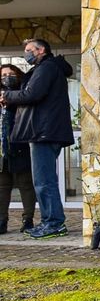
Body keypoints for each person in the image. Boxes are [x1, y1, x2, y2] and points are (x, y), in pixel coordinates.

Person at [0, 39, 74, 240]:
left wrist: (7, 96)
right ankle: (50, 222)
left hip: (44, 132)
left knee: (44, 181)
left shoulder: (46, 68)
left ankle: (53, 224)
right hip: (44, 131)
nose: (26, 54)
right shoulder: (47, 68)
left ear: (40, 50)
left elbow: (32, 94)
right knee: (44, 180)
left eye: (28, 50)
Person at [0, 64, 36, 234]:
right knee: (2, 185)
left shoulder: (24, 92)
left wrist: (11, 100)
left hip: (21, 145)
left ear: (17, 74)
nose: (7, 77)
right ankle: (2, 221)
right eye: (4, 75)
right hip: (2, 148)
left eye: (10, 74)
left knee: (26, 184)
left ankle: (28, 219)